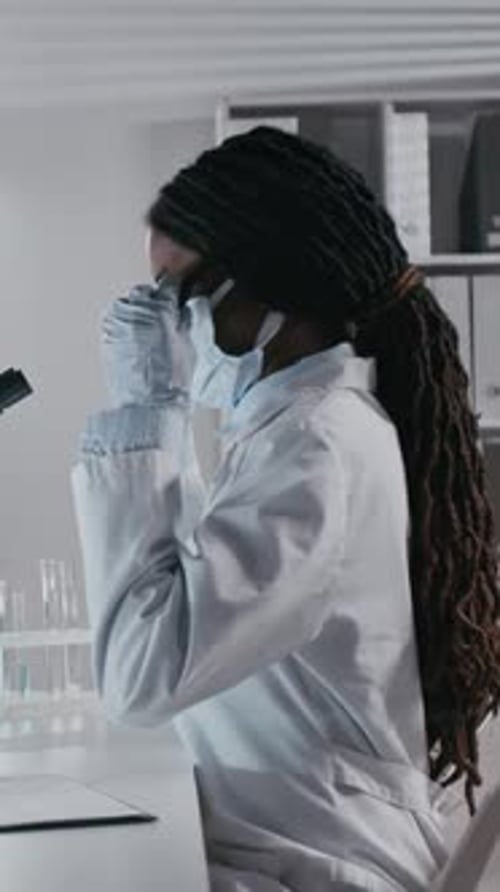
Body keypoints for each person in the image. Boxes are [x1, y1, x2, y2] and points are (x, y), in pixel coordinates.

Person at [72, 127, 500, 892]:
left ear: (275, 291)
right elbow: (208, 584)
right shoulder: (295, 429)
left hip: (321, 864)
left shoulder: (315, 449)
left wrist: (148, 410)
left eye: (179, 294)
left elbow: (145, 673)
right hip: (289, 841)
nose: (170, 321)